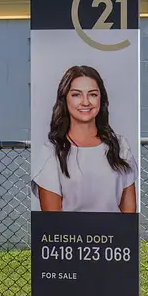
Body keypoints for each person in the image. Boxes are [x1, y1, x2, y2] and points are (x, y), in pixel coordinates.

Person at [33, 65, 137, 213]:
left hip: (114, 229)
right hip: (69, 230)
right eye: (76, 95)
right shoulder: (51, 152)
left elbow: (129, 215)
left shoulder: (120, 146)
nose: (86, 102)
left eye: (93, 94)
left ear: (101, 99)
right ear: (64, 99)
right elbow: (52, 219)